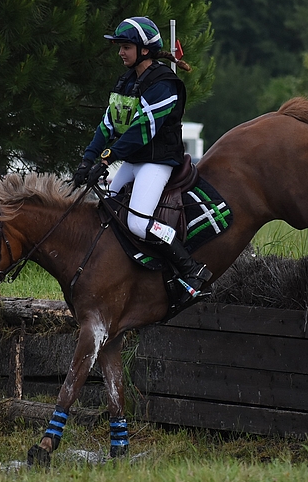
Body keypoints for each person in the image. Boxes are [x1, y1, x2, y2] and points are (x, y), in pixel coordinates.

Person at [71, 16, 212, 299]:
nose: (120, 52)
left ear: (144, 50)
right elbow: (107, 125)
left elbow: (142, 131)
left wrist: (106, 160)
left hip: (157, 162)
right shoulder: (125, 82)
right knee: (106, 209)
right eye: (120, 47)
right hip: (134, 160)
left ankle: (191, 268)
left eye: (125, 46)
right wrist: (87, 159)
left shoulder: (164, 84)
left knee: (137, 222)